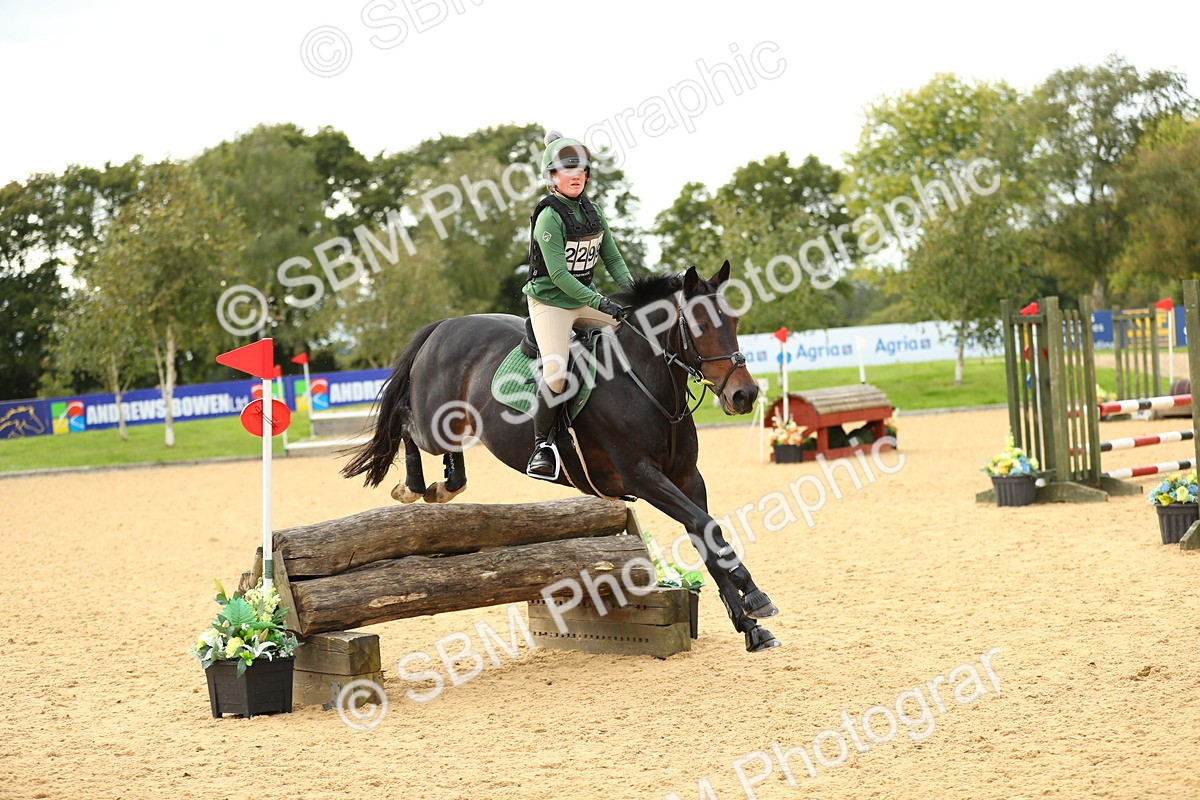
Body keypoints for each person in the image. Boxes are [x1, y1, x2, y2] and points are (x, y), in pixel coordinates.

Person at [524, 130, 634, 479]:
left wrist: (635, 296)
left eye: (581, 171)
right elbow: (558, 276)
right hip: (551, 304)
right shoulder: (548, 217)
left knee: (639, 333)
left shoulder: (594, 211)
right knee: (556, 373)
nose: (576, 177)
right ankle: (542, 446)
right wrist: (602, 302)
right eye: (567, 171)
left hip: (583, 298)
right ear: (551, 177)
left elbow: (613, 260)